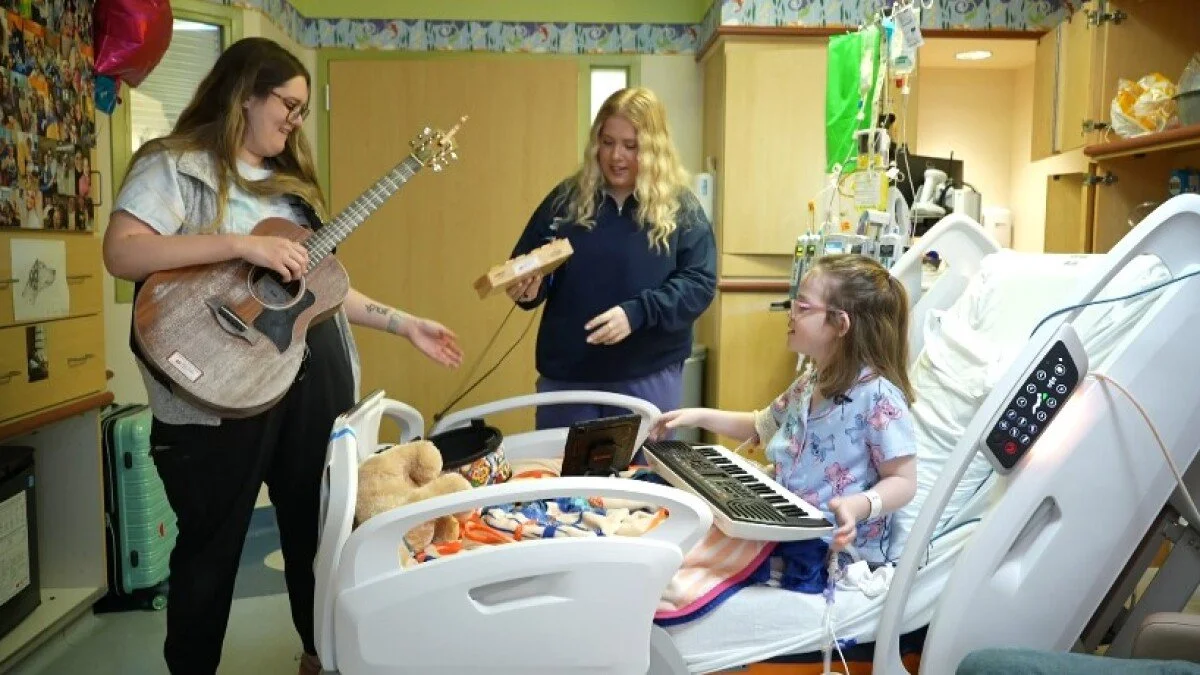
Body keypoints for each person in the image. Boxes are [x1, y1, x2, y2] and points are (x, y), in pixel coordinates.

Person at [101, 37, 463, 675]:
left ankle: (320, 657)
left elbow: (314, 290)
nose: (295, 121)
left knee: (317, 536)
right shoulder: (173, 165)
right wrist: (244, 245)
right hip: (210, 396)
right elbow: (124, 252)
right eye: (289, 105)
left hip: (304, 382)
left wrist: (404, 323)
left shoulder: (292, 192)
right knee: (209, 553)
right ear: (245, 93)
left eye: (302, 110)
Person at [650, 254, 918, 560]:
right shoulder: (811, 382)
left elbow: (904, 481)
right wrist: (698, 416)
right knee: (680, 534)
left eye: (802, 307)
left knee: (692, 564)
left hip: (834, 547)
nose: (790, 314)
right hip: (785, 526)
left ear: (841, 323)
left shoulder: (879, 398)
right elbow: (761, 426)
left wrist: (858, 506)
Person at [506, 86, 716, 431]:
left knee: (639, 481)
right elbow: (527, 266)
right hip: (568, 379)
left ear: (654, 150)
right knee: (565, 482)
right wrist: (528, 290)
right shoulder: (565, 201)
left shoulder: (680, 208)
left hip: (647, 376)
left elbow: (699, 284)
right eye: (607, 142)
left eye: (631, 146)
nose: (616, 156)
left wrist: (637, 314)